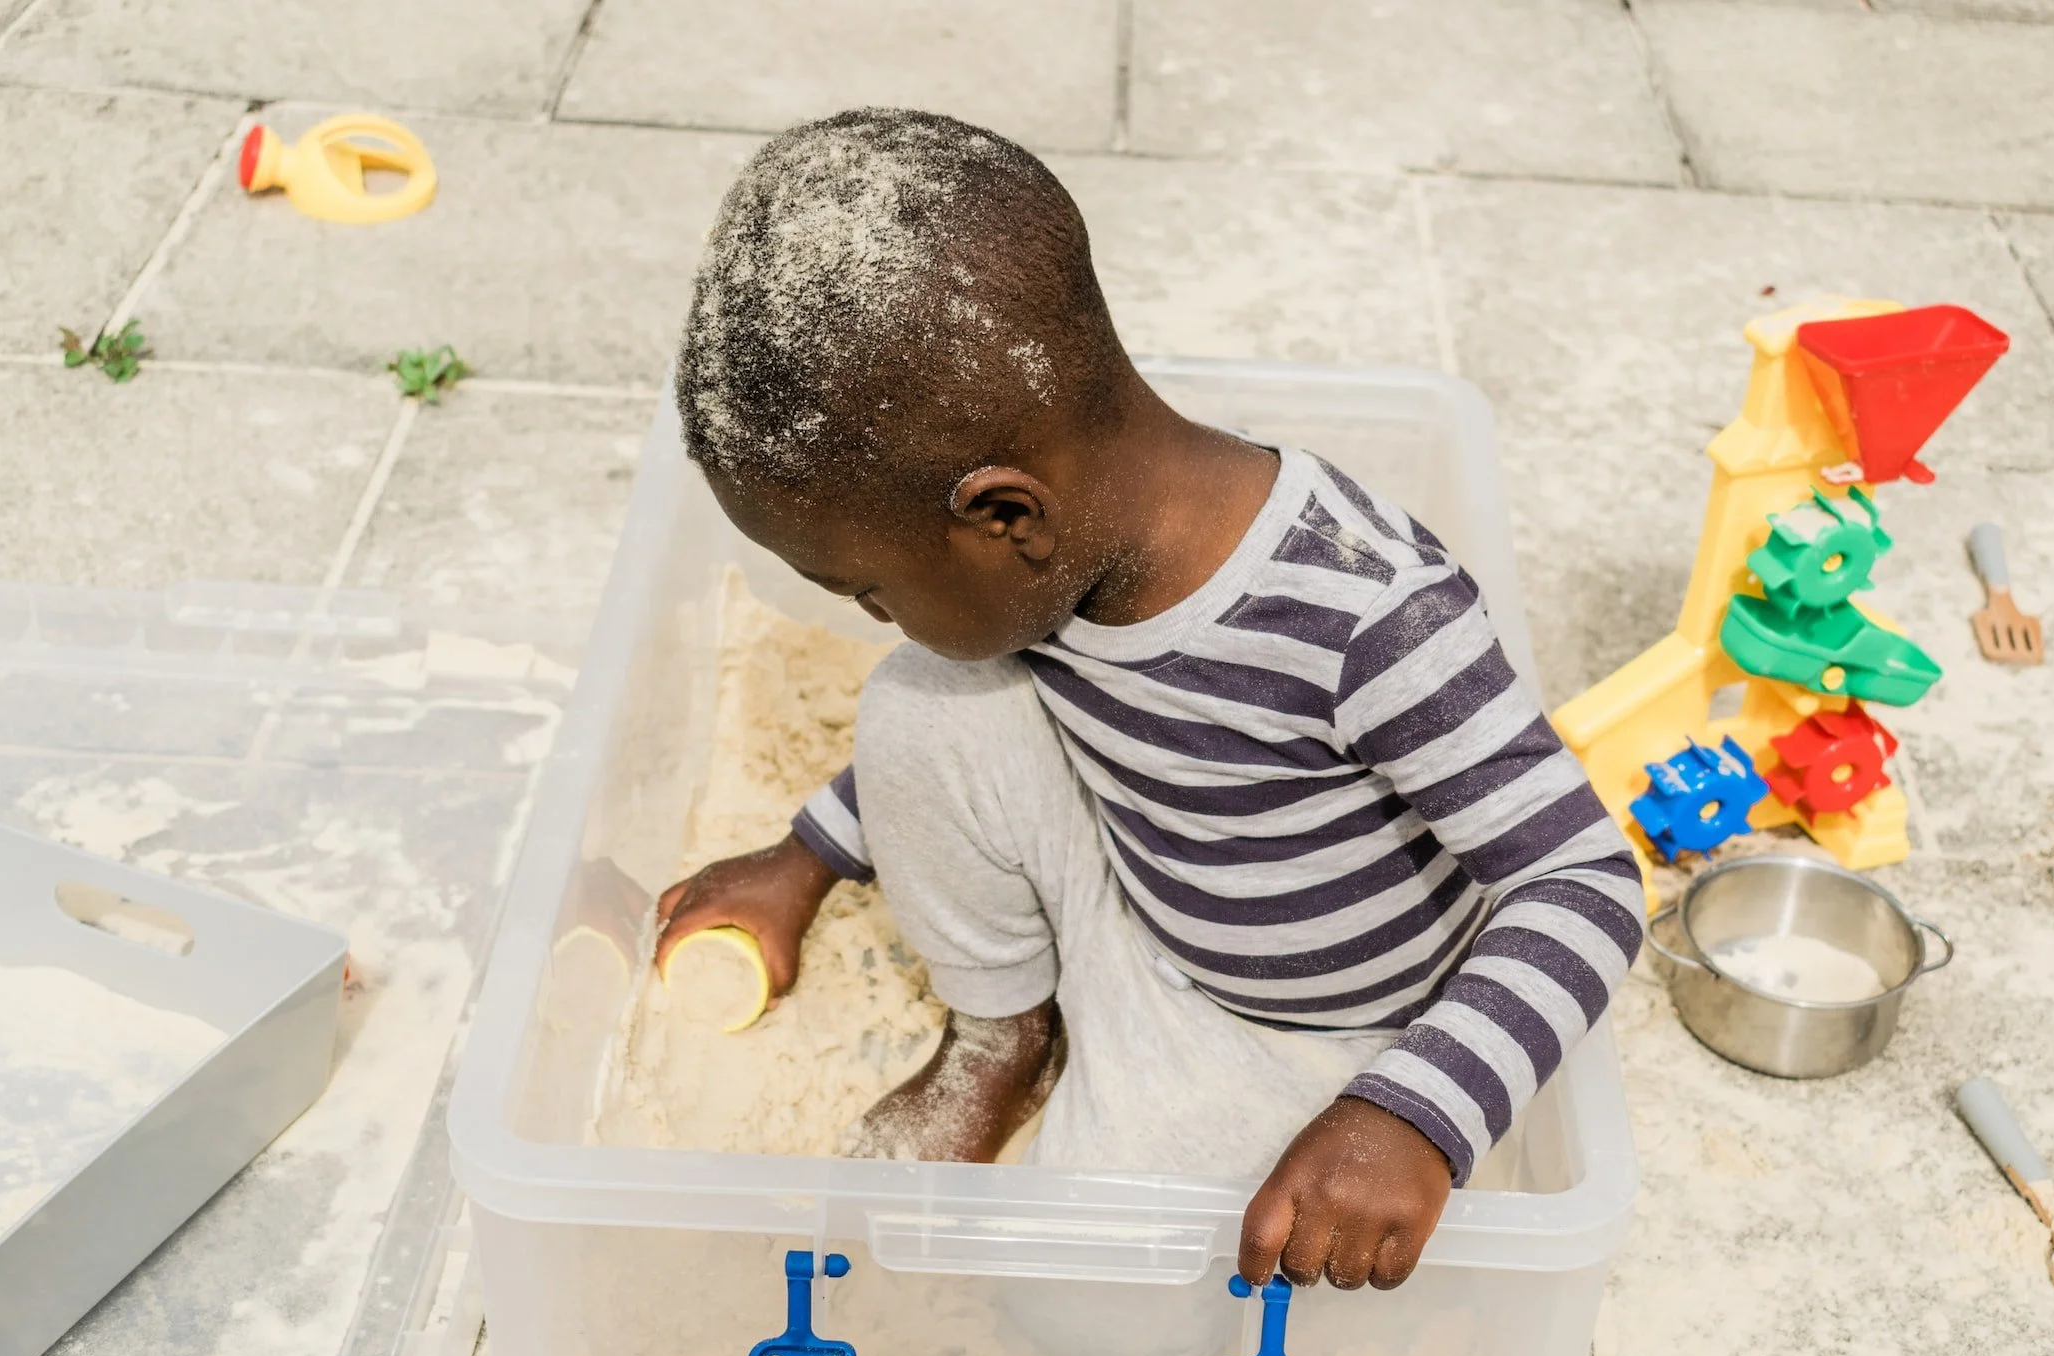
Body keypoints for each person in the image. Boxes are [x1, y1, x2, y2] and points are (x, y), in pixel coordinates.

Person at [656, 109, 1640, 1293]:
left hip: (1302, 1040)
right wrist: (808, 853)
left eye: (870, 587)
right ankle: (1002, 1036)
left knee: (1087, 1307)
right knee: (926, 696)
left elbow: (1581, 880)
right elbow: (1025, 743)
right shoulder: (1057, 557)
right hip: (1131, 893)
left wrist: (1411, 1116)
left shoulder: (1370, 614)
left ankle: (1169, 1088)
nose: (874, 614)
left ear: (1007, 518)